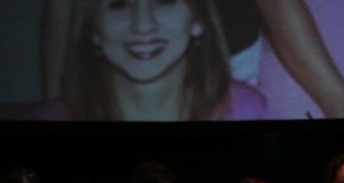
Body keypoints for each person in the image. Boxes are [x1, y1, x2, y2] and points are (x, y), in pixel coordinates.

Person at [36, 0, 265, 121]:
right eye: (119, 4)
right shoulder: (50, 118)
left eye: (164, 1)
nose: (143, 26)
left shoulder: (246, 109)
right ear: (93, 29)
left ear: (198, 20)